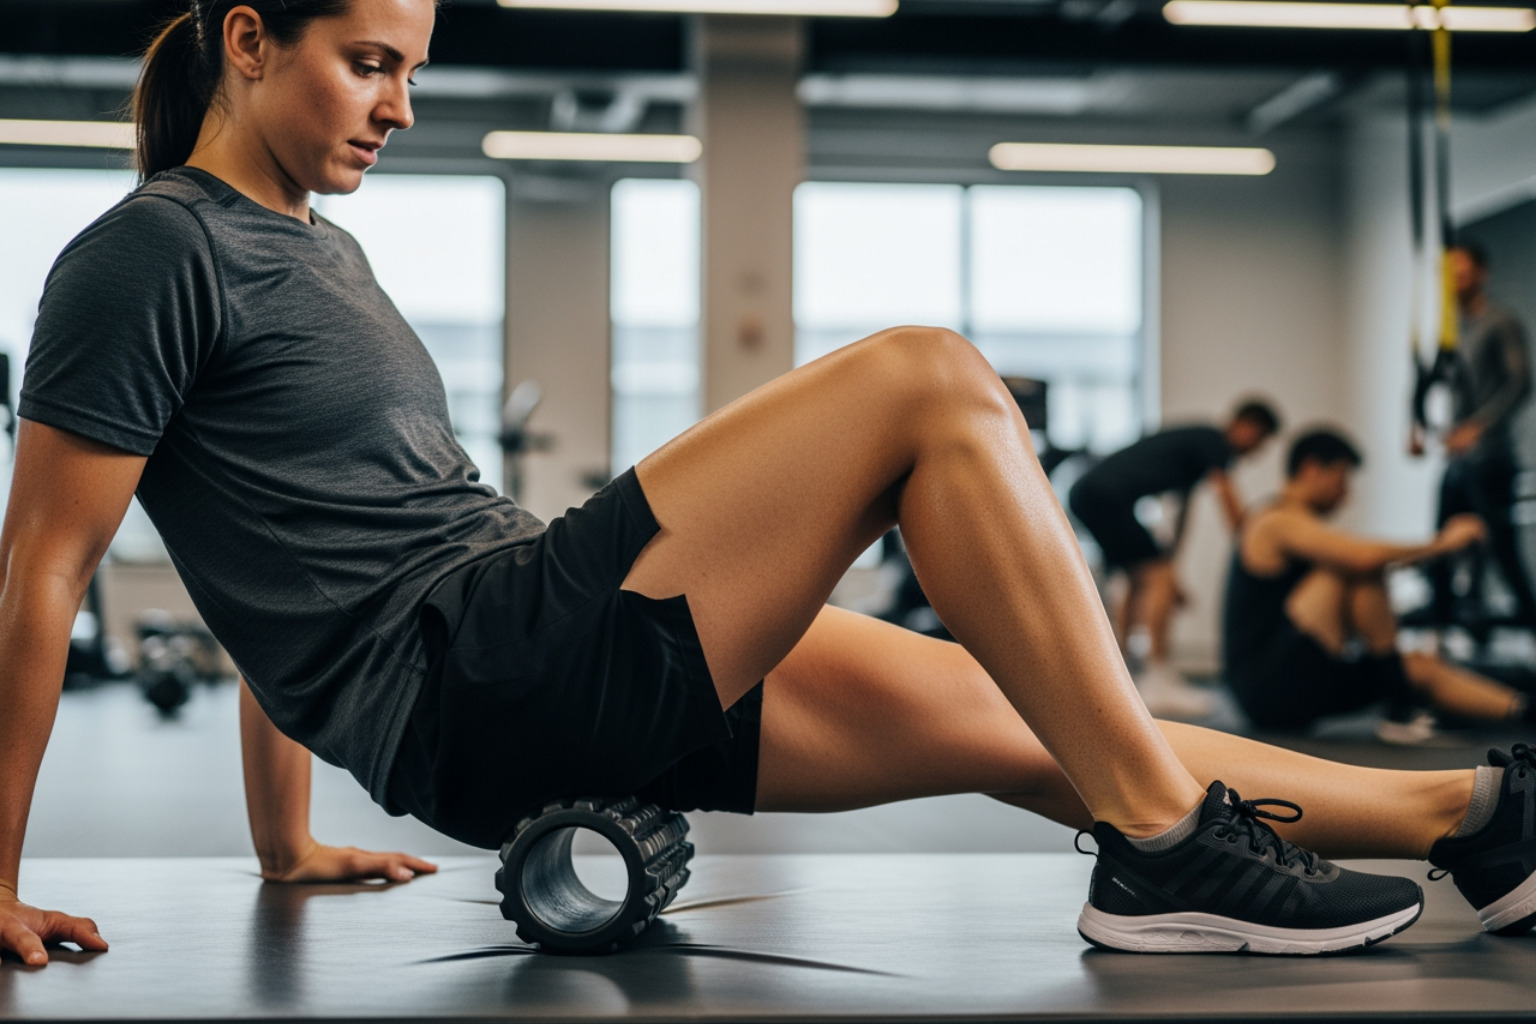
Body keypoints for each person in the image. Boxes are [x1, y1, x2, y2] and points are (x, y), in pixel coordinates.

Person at [1, 0, 1534, 966]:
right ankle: (1163, 858)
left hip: (520, 674)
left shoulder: (322, 254)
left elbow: (278, 564)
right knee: (924, 375)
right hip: (495, 665)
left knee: (1037, 714)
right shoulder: (150, 253)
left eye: (412, 68)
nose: (398, 102)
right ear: (251, 39)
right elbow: (44, 574)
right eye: (371, 62)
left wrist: (290, 844)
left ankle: (1470, 817)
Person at [1224, 428, 1536, 741]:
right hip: (1265, 687)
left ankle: (1524, 710)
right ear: (1311, 468)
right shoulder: (1274, 520)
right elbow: (1364, 558)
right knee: (1359, 568)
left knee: (1417, 666)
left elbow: (1373, 559)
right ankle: (1399, 710)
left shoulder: (1304, 527)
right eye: (1341, 478)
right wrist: (1443, 543)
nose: (1346, 494)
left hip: (1301, 678)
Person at [1068, 400, 1281, 719]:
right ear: (1246, 426)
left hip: (1089, 494)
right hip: (1105, 496)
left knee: (1140, 578)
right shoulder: (1214, 441)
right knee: (1155, 577)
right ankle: (1154, 678)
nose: (1256, 452)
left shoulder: (1197, 446)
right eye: (1260, 441)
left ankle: (1124, 677)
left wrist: (1171, 570)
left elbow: (1182, 514)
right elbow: (1226, 493)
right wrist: (1250, 537)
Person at [1423, 241, 1536, 636]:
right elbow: (1430, 381)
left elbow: (1520, 383)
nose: (1454, 280)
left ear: (1481, 274)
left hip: (1491, 458)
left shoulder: (1499, 322)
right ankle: (1438, 645)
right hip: (1456, 461)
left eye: (1462, 271)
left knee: (1502, 553)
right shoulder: (1450, 327)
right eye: (1448, 273)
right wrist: (1418, 426)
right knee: (1441, 549)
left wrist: (1479, 427)